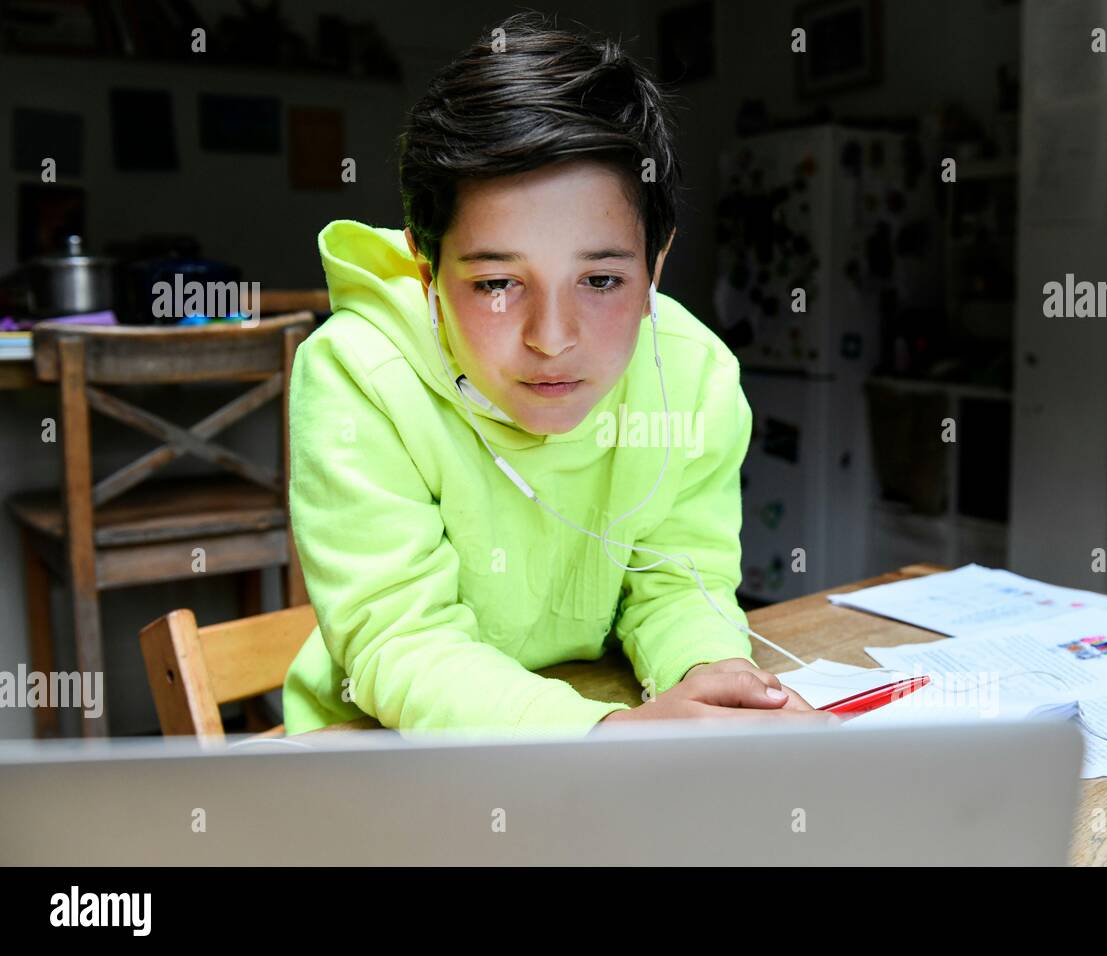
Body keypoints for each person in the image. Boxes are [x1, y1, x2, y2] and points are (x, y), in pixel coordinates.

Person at [281, 11, 832, 737]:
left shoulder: (693, 376)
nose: (551, 339)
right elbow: (400, 642)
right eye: (495, 284)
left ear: (656, 266)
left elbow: (678, 582)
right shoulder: (358, 376)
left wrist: (708, 674)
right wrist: (600, 736)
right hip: (383, 754)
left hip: (602, 739)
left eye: (600, 281)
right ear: (427, 273)